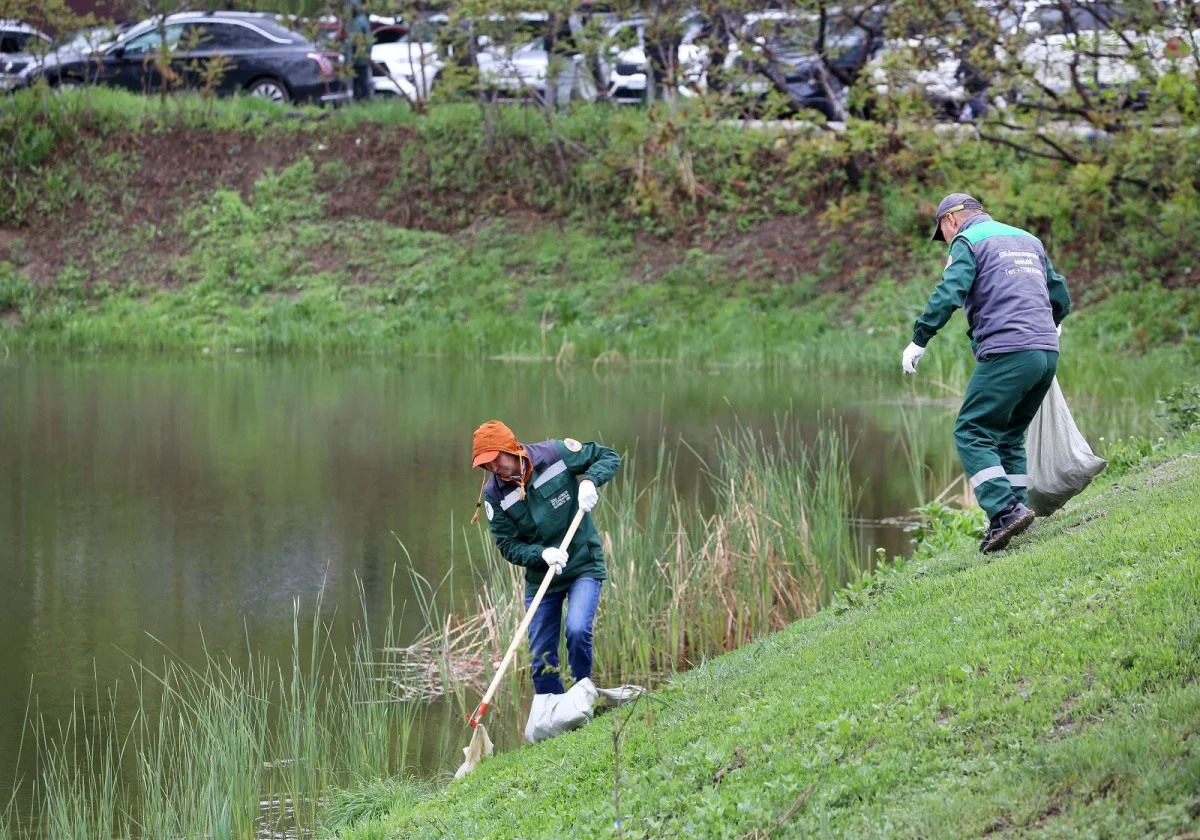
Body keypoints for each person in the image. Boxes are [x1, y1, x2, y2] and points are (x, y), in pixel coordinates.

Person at [902, 193, 1071, 553]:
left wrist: (919, 339)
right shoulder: (1027, 239)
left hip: (1008, 351)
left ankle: (1004, 510)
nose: (945, 241)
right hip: (1046, 352)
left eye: (942, 234)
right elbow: (1060, 293)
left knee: (972, 430)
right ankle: (1018, 514)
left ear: (950, 221)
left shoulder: (967, 240)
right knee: (1009, 435)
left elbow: (950, 291)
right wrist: (1053, 323)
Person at [470, 420, 621, 694]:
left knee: (576, 629)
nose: (493, 468)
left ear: (510, 448)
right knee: (540, 655)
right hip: (542, 577)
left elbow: (607, 456)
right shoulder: (494, 496)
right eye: (486, 464)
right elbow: (508, 545)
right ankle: (551, 709)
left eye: (496, 459)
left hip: (581, 564)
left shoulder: (555, 453)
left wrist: (589, 480)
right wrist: (542, 554)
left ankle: (582, 693)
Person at [343, 0, 373, 102]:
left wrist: (352, 58)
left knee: (359, 82)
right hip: (363, 57)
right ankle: (365, 101)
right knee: (363, 81)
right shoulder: (363, 20)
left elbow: (353, 41)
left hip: (358, 58)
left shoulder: (358, 21)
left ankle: (362, 102)